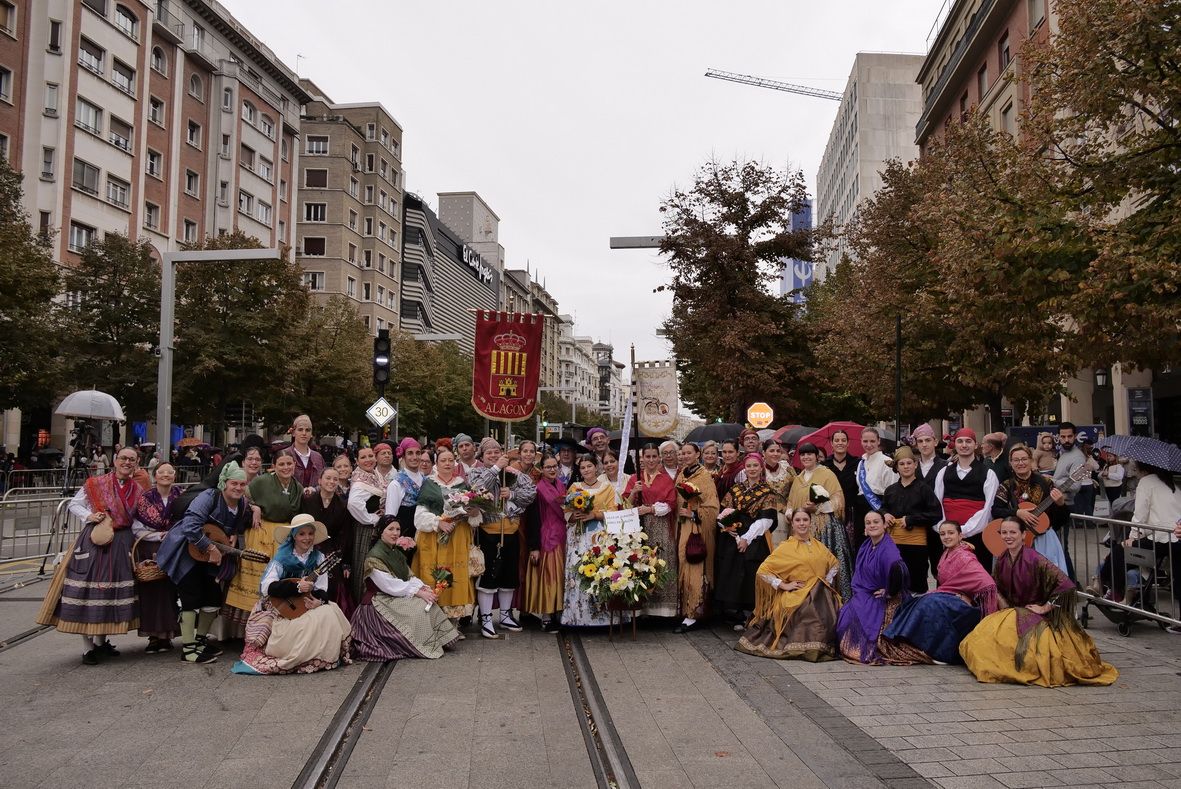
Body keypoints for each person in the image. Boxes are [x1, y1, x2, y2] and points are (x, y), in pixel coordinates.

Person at [960, 517, 1118, 687]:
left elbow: (1066, 586)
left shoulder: (1034, 558)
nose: (1008, 536)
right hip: (1013, 613)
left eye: (1013, 532)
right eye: (1004, 532)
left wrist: (1045, 607)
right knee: (978, 641)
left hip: (1038, 617)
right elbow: (997, 586)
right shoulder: (1003, 559)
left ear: (1023, 535)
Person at [38, 447, 146, 664]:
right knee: (88, 591)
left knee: (109, 593)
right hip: (94, 541)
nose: (127, 462)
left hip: (121, 541)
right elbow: (74, 504)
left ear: (136, 463)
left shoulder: (137, 490)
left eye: (132, 460)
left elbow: (136, 521)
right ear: (115, 461)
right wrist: (90, 515)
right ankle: (88, 648)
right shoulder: (96, 483)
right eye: (123, 458)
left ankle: (100, 642)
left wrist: (150, 536)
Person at [155, 462, 252, 664]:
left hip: (210, 555)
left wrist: (232, 534)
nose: (238, 488)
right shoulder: (209, 497)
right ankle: (189, 650)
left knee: (213, 598)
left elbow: (236, 524)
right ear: (224, 483)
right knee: (191, 597)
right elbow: (190, 525)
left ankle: (200, 641)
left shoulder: (242, 503)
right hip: (187, 551)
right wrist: (210, 547)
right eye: (234, 483)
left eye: (242, 484)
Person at [233, 515, 353, 674]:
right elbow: (267, 587)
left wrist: (319, 601)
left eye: (310, 533)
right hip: (282, 606)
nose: (307, 538)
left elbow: (323, 589)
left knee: (331, 611)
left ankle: (320, 657)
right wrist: (296, 586)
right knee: (304, 625)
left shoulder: (319, 558)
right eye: (302, 534)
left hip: (307, 603)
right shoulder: (282, 558)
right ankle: (301, 656)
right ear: (294, 536)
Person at [879, 520, 999, 665]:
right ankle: (914, 643)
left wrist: (970, 598)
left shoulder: (964, 556)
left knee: (930, 603)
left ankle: (940, 652)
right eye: (942, 534)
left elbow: (987, 583)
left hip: (967, 605)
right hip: (950, 595)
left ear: (960, 536)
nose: (946, 537)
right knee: (918, 601)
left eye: (951, 533)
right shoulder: (947, 552)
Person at [735, 508, 840, 661]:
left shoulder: (819, 546)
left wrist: (824, 582)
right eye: (798, 520)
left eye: (805, 520)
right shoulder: (786, 547)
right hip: (797, 594)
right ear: (792, 524)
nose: (802, 523)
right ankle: (810, 648)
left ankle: (823, 646)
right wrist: (784, 585)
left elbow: (834, 564)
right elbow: (763, 571)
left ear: (810, 522)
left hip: (820, 593)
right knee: (811, 612)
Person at [350, 517, 460, 660]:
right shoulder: (374, 557)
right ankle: (422, 644)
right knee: (417, 612)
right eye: (390, 529)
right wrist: (418, 593)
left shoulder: (395, 552)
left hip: (394, 595)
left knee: (427, 604)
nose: (395, 533)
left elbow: (409, 576)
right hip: (379, 601)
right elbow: (389, 585)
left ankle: (439, 640)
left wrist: (423, 589)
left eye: (397, 529)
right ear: (380, 532)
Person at [224, 452, 302, 634]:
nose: (286, 467)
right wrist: (254, 507)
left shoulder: (297, 487)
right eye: (281, 464)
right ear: (273, 466)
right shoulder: (262, 482)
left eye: (289, 464)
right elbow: (241, 495)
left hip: (284, 535)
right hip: (262, 532)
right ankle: (251, 629)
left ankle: (277, 627)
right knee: (258, 580)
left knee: (281, 579)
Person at [468, 438, 537, 639]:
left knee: (509, 576)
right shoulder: (477, 472)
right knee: (488, 575)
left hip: (511, 531)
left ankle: (506, 615)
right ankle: (487, 617)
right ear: (482, 456)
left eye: (497, 452)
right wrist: (496, 468)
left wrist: (512, 493)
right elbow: (477, 489)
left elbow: (530, 493)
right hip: (488, 532)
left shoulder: (514, 474)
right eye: (489, 453)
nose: (493, 455)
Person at [1097, 463, 1181, 616]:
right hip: (1175, 538)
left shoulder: (1147, 482)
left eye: (1135, 469)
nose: (1134, 472)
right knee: (1179, 576)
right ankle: (1105, 585)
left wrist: (1132, 537)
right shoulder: (1172, 485)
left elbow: (1140, 515)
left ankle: (1113, 589)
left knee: (1119, 550)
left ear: (1144, 469)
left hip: (1161, 537)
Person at [413, 447, 477, 621]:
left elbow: (473, 516)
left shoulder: (462, 484)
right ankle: (435, 620)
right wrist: (438, 522)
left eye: (451, 460)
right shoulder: (429, 484)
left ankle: (454, 622)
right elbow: (419, 516)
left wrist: (473, 513)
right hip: (434, 538)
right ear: (436, 464)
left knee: (456, 576)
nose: (448, 464)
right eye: (443, 460)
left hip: (458, 537)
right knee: (436, 575)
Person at [836, 511, 909, 664]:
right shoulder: (866, 546)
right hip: (864, 592)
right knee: (846, 613)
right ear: (865, 527)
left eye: (876, 522)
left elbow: (899, 570)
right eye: (868, 523)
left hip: (882, 597)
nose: (872, 525)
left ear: (884, 525)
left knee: (857, 616)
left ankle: (862, 648)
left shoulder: (888, 549)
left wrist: (889, 591)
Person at [716, 453, 781, 624]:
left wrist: (746, 538)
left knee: (751, 572)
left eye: (755, 466)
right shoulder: (736, 488)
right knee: (731, 571)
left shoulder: (768, 491)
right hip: (732, 535)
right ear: (745, 468)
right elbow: (724, 511)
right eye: (749, 466)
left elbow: (766, 520)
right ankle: (734, 613)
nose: (752, 469)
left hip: (755, 537)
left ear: (761, 468)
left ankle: (752, 612)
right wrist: (727, 526)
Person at [563, 455, 623, 627]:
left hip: (598, 535)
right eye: (583, 467)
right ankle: (577, 616)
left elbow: (613, 512)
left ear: (596, 468)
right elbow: (566, 512)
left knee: (599, 570)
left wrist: (594, 514)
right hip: (578, 535)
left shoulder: (608, 488)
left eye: (589, 466)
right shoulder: (574, 487)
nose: (586, 470)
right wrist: (573, 516)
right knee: (578, 571)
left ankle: (602, 617)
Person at [787, 442, 852, 601]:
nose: (806, 457)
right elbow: (791, 501)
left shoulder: (826, 474)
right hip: (802, 527)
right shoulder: (798, 478)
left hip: (825, 527)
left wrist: (818, 507)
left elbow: (838, 500)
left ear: (817, 456)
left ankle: (830, 599)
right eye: (803, 454)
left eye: (810, 454)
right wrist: (789, 512)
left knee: (824, 563)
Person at [992, 444, 1069, 574]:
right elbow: (996, 510)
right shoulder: (1005, 486)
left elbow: (1061, 519)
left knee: (1045, 576)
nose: (1020, 463)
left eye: (1024, 459)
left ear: (1031, 460)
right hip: (1014, 539)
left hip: (1043, 539)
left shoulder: (1046, 483)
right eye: (1016, 460)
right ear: (1010, 463)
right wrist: (1017, 512)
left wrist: (1061, 504)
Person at [623, 444, 679, 619]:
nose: (651, 460)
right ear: (642, 458)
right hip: (639, 526)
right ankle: (641, 608)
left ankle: (663, 609)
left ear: (659, 458)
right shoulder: (635, 478)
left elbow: (671, 504)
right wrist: (634, 492)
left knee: (661, 561)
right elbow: (625, 503)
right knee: (640, 562)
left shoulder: (666, 478)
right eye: (648, 456)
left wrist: (650, 509)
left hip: (660, 524)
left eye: (654, 456)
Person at [934, 428, 1000, 573]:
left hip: (977, 536)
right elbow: (937, 503)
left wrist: (963, 531)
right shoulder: (944, 472)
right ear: (955, 445)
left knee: (977, 577)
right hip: (949, 537)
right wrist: (948, 532)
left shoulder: (988, 474)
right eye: (960, 441)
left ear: (975, 445)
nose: (964, 445)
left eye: (968, 441)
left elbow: (988, 507)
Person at [132, 461, 182, 653]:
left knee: (169, 592)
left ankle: (168, 635)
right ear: (155, 475)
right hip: (149, 547)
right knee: (151, 593)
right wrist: (158, 535)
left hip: (173, 548)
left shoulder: (180, 497)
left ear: (174, 476)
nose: (166, 475)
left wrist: (172, 535)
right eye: (162, 472)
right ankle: (153, 636)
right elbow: (137, 527)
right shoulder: (145, 498)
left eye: (170, 472)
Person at [881, 447, 942, 593]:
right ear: (896, 467)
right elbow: (883, 508)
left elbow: (936, 514)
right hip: (894, 543)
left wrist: (911, 519)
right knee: (895, 579)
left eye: (909, 463)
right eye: (902, 464)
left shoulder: (924, 489)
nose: (906, 466)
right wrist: (885, 514)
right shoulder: (890, 490)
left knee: (917, 582)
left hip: (917, 546)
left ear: (915, 465)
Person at [674, 442, 719, 632]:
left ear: (697, 454)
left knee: (695, 568)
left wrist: (694, 514)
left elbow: (713, 507)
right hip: (682, 528)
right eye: (682, 453)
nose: (685, 456)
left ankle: (694, 613)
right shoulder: (681, 474)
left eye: (688, 453)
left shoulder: (704, 477)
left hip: (697, 530)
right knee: (683, 565)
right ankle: (684, 609)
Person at [302, 466, 355, 617]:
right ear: (319, 481)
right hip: (308, 545)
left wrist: (344, 560)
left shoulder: (342, 505)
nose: (332, 482)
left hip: (331, 549)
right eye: (328, 478)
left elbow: (345, 534)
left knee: (335, 581)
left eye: (335, 479)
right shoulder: (308, 500)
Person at [523, 454, 567, 631]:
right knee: (550, 577)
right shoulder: (538, 489)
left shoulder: (562, 485)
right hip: (547, 537)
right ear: (542, 469)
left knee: (561, 577)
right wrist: (534, 547)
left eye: (554, 466)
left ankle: (559, 612)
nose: (552, 469)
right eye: (548, 467)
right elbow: (532, 519)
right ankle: (547, 615)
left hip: (563, 536)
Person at [347, 446, 386, 600]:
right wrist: (372, 518)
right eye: (363, 457)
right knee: (365, 565)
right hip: (365, 530)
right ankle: (363, 603)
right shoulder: (360, 481)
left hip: (372, 528)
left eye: (370, 456)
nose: (368, 460)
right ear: (357, 461)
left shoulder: (373, 475)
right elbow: (353, 504)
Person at [854, 428, 898, 548]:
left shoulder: (887, 462)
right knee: (861, 545)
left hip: (879, 507)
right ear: (861, 441)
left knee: (879, 545)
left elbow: (892, 490)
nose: (869, 445)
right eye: (865, 441)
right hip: (861, 510)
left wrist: (887, 512)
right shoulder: (861, 463)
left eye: (872, 441)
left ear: (879, 441)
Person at [385, 438, 424, 543]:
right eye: (410, 453)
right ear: (403, 456)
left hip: (425, 535)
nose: (414, 457)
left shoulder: (427, 480)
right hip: (405, 537)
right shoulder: (397, 483)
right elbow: (390, 516)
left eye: (418, 453)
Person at [286, 414, 325, 490]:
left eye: (307, 430)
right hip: (291, 501)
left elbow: (324, 482)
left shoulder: (318, 458)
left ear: (311, 434)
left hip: (314, 500)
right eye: (300, 429)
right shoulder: (284, 455)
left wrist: (314, 490)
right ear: (293, 433)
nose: (304, 433)